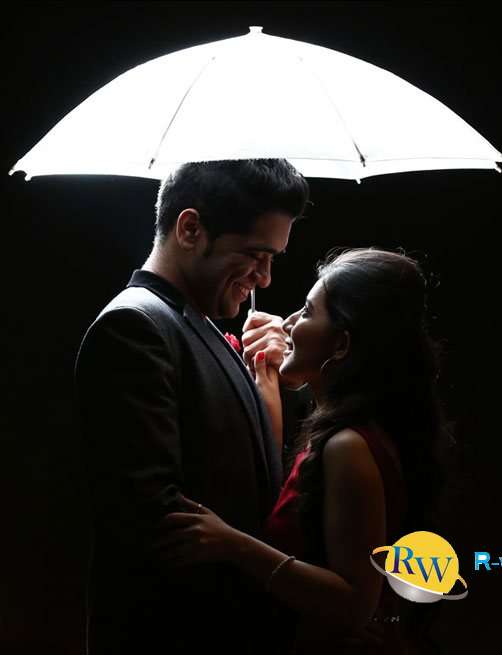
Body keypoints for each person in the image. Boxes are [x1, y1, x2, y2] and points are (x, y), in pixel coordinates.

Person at [154, 248, 452, 654]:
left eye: (308, 312)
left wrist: (231, 543)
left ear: (341, 344)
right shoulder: (353, 431)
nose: (288, 322)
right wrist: (268, 380)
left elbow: (354, 602)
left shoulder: (348, 447)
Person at [76, 158, 309, 655]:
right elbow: (158, 522)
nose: (265, 278)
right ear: (190, 229)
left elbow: (253, 484)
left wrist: (269, 382)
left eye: (273, 259)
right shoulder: (135, 327)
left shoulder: (198, 328)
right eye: (255, 254)